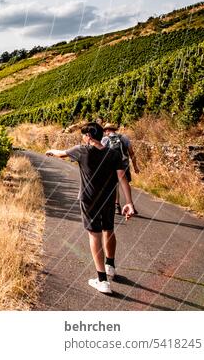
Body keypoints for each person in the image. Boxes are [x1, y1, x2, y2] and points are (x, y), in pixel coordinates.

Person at [46, 122, 135, 295]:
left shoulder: (81, 150)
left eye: (83, 135)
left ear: (88, 136)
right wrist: (129, 202)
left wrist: (51, 151)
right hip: (108, 200)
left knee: (94, 235)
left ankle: (102, 281)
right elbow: (122, 179)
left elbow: (61, 154)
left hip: (89, 200)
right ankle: (110, 266)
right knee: (108, 230)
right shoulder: (113, 154)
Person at [102, 123, 139, 215]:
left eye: (105, 131)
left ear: (107, 130)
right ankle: (130, 205)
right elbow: (131, 153)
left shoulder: (105, 139)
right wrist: (135, 166)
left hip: (111, 165)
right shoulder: (124, 138)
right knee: (125, 184)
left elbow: (101, 152)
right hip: (124, 164)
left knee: (114, 185)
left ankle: (117, 206)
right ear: (114, 130)